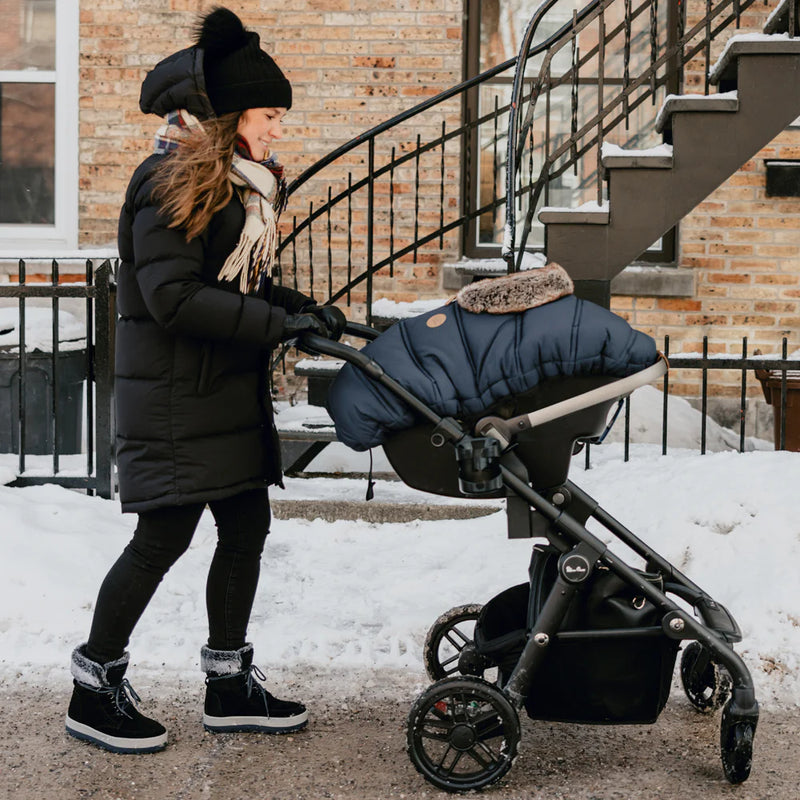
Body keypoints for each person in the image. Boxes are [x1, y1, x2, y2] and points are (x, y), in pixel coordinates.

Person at [65, 5, 346, 754]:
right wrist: (272, 325)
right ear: (226, 119)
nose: (278, 129)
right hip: (176, 398)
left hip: (218, 392)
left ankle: (227, 685)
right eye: (267, 114)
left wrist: (295, 308)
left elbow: (238, 289)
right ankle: (93, 687)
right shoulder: (169, 183)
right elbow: (173, 298)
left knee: (246, 528)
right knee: (163, 538)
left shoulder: (236, 186)